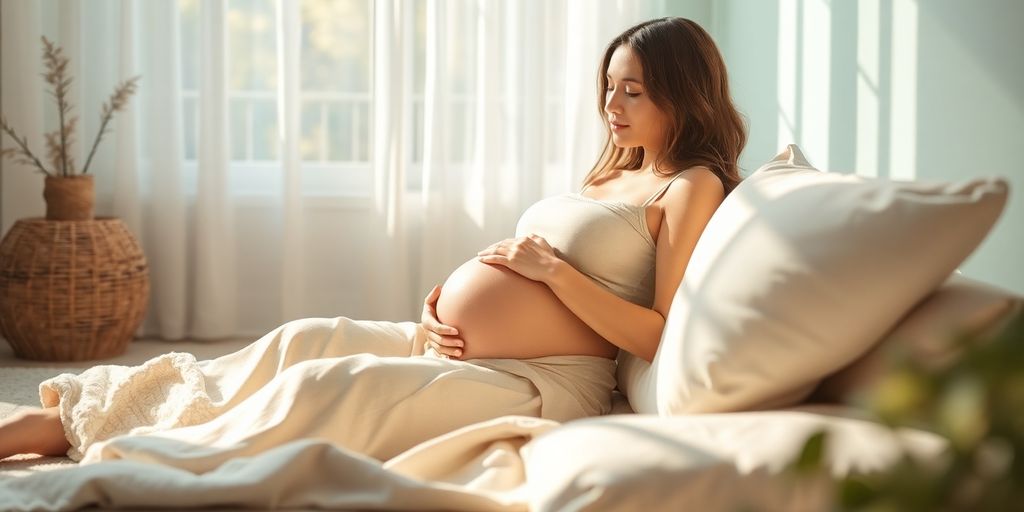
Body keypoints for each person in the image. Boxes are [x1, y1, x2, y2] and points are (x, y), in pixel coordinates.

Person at [0, 17, 745, 467]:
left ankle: (113, 442)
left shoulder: (690, 187)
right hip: (464, 347)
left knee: (331, 389)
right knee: (305, 339)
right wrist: (451, 307)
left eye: (633, 90)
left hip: (546, 382)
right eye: (609, 86)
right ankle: (77, 413)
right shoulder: (618, 170)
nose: (610, 104)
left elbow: (654, 334)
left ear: (684, 91)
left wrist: (548, 273)